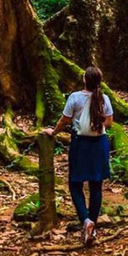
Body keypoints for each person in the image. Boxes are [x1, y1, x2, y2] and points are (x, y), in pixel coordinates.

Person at [43, 66, 113, 246]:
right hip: (99, 144)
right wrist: (97, 122)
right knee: (96, 185)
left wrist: (54, 132)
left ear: (85, 80)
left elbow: (64, 120)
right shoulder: (104, 98)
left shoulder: (75, 98)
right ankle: (93, 224)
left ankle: (86, 220)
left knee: (75, 183)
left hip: (81, 144)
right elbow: (109, 122)